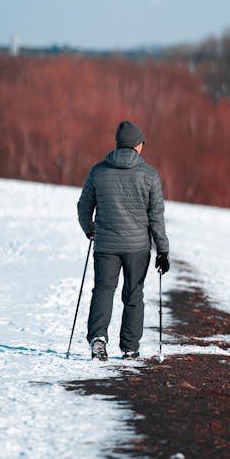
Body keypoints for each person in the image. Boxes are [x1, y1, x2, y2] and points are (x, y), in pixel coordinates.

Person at [77, 120, 170, 361]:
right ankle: (130, 348)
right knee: (133, 295)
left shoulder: (98, 171)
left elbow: (84, 207)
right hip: (138, 248)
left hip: (105, 245)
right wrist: (162, 251)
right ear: (138, 145)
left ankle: (98, 339)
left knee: (103, 291)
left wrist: (90, 230)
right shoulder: (149, 175)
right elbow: (156, 217)